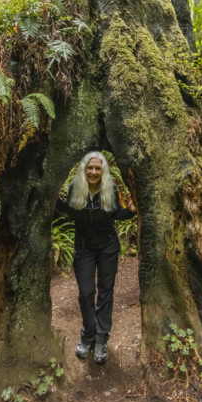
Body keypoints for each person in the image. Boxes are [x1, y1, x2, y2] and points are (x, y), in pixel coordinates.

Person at [56, 151, 136, 364]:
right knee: (85, 292)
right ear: (84, 169)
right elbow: (70, 212)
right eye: (90, 168)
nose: (93, 172)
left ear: (103, 171)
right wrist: (54, 201)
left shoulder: (110, 188)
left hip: (108, 247)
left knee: (105, 293)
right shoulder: (76, 187)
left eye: (97, 168)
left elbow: (117, 214)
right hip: (84, 248)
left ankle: (101, 339)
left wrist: (131, 211)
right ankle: (87, 335)